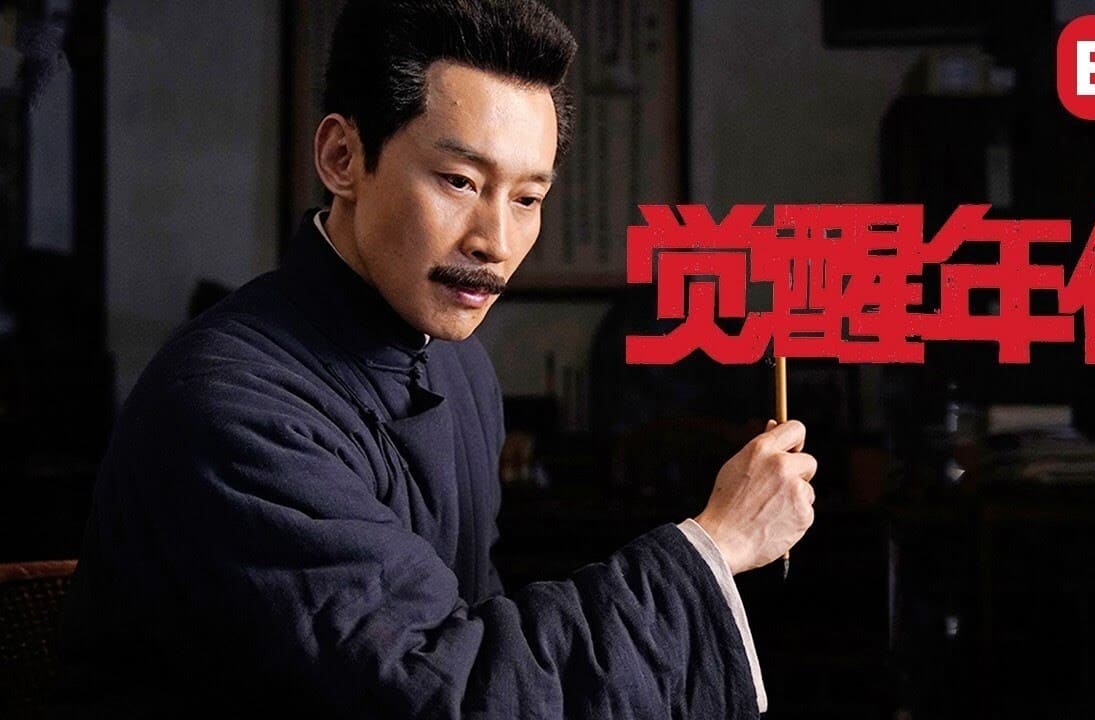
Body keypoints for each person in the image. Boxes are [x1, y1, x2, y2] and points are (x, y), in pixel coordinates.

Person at [56, 1, 817, 717]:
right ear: (342, 157)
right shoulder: (230, 406)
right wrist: (714, 545)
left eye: (527, 198)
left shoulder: (461, 368)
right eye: (460, 181)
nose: (496, 241)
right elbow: (437, 689)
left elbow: (476, 626)